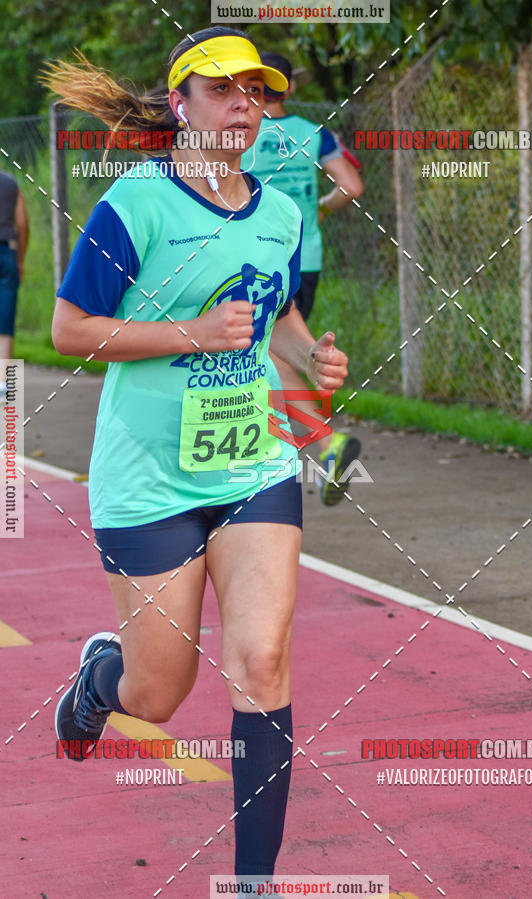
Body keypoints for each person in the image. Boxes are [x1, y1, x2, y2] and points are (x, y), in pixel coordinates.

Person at [42, 26, 350, 880]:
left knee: (262, 661)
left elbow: (275, 317)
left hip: (253, 466)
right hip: (150, 479)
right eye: (223, 89)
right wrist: (187, 331)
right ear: (181, 106)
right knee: (158, 694)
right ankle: (101, 678)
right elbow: (68, 330)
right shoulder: (136, 203)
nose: (243, 103)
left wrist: (308, 358)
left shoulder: (281, 212)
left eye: (255, 90)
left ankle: (255, 879)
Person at [241, 52, 364, 506]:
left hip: (253, 261)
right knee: (282, 354)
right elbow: (352, 187)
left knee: (270, 357)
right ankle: (311, 450)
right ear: (289, 88)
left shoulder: (240, 135)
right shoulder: (314, 134)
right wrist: (318, 210)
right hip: (303, 256)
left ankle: (313, 448)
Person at [0, 170, 28, 398]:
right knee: (5, 322)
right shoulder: (10, 183)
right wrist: (19, 260)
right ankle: (3, 384)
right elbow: (22, 224)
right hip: (6, 253)